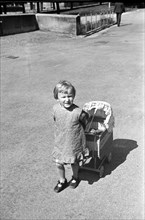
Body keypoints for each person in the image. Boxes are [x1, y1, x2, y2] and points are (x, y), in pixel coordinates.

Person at [52, 80, 89, 193]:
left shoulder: (78, 112)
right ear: (57, 98)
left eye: (70, 96)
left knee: (74, 162)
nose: (67, 99)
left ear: (74, 96)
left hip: (74, 142)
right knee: (58, 162)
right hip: (60, 142)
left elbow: (85, 122)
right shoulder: (55, 109)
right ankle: (62, 180)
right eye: (63, 97)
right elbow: (56, 120)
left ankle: (75, 177)